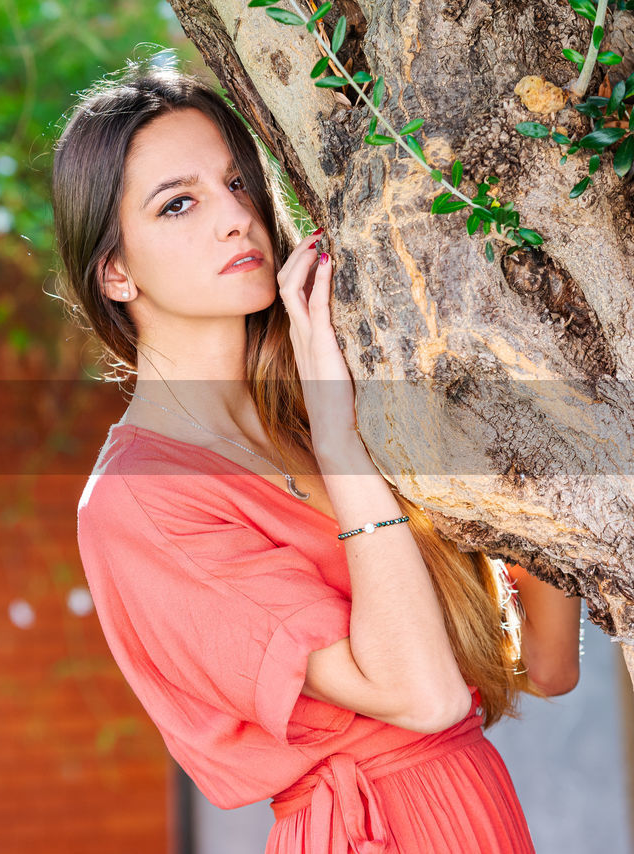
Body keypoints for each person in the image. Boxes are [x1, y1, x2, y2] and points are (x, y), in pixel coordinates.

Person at [51, 60, 582, 853]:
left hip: (477, 807)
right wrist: (340, 441)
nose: (235, 219)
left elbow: (542, 661)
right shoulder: (141, 502)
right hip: (378, 829)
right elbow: (423, 696)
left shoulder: (319, 400)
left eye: (239, 184)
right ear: (115, 271)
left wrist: (535, 417)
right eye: (179, 204)